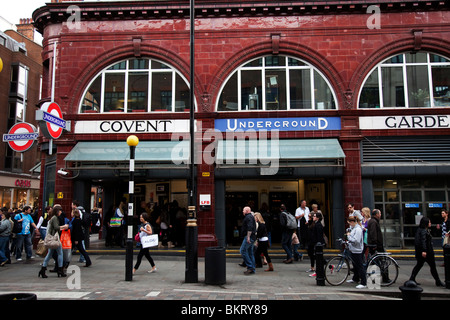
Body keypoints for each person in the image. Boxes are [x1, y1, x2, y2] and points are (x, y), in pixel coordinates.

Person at [409, 217, 445, 287]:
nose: (430, 223)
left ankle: (412, 278)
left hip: (422, 252)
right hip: (427, 252)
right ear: (426, 223)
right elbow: (423, 241)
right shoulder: (423, 231)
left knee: (419, 265)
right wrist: (424, 250)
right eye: (429, 222)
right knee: (432, 267)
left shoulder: (421, 230)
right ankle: (437, 281)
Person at [38, 207, 66, 278]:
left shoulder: (52, 218)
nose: (61, 212)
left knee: (50, 254)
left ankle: (43, 269)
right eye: (60, 211)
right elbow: (56, 227)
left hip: (51, 238)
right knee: (60, 253)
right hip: (54, 239)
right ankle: (60, 269)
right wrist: (64, 226)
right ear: (57, 211)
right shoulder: (55, 218)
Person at [346, 216, 367, 289]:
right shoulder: (354, 228)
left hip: (357, 250)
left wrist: (349, 237)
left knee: (360, 266)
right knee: (355, 265)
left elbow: (356, 240)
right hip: (353, 249)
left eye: (349, 223)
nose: (349, 224)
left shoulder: (358, 229)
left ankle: (364, 282)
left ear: (352, 222)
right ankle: (355, 278)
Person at [306, 212, 325, 276]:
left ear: (318, 218)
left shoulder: (318, 225)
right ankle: (329, 266)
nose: (313, 217)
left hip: (317, 244)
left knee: (318, 258)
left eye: (314, 216)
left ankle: (317, 272)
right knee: (319, 258)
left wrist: (318, 244)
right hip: (315, 243)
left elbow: (319, 236)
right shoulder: (316, 224)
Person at [240, 206, 256, 275]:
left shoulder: (248, 217)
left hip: (249, 237)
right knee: (250, 252)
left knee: (243, 250)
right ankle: (252, 268)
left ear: (247, 211)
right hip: (252, 237)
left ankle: (250, 267)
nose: (242, 212)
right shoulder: (251, 217)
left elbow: (250, 227)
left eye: (243, 210)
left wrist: (248, 237)